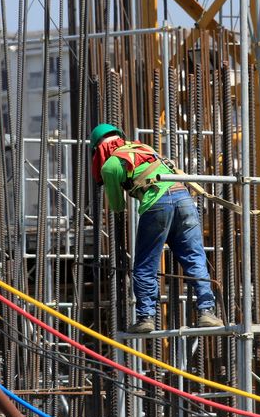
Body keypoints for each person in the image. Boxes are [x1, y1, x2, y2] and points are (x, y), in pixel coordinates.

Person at [90, 123, 224, 333]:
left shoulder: (111, 165)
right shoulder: (144, 148)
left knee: (145, 264)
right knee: (194, 257)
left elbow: (117, 206)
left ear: (97, 149)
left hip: (157, 204)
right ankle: (207, 312)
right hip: (184, 199)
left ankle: (146, 317)